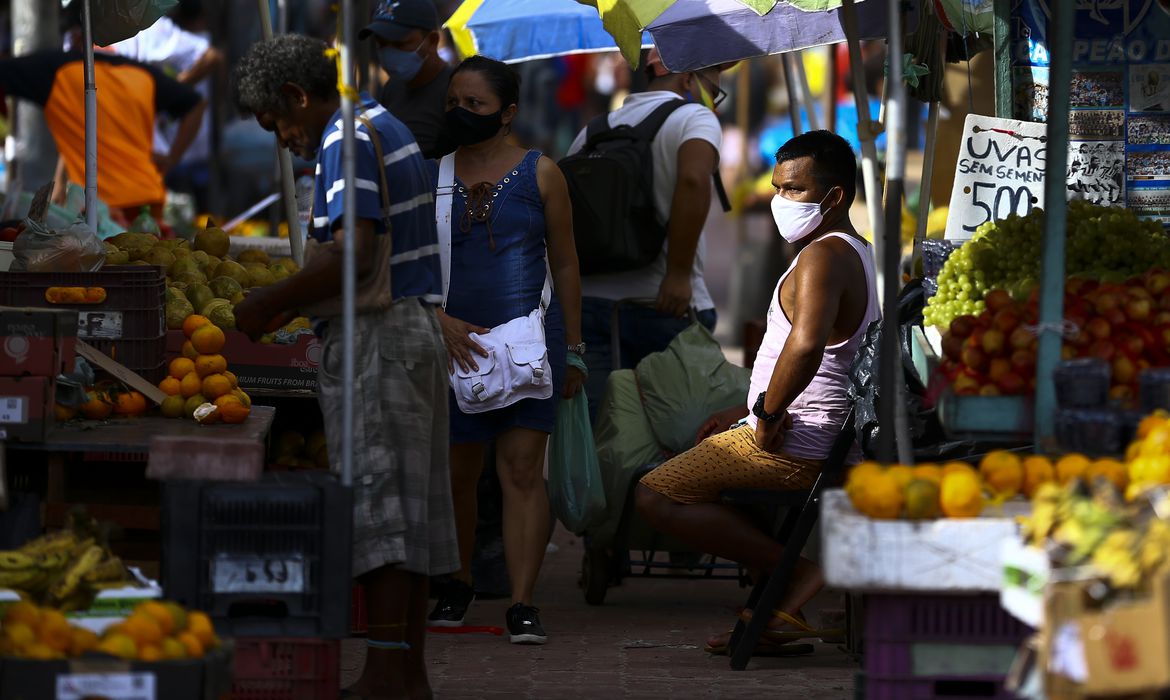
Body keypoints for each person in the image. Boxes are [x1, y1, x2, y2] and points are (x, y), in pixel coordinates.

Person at [232, 34, 457, 699]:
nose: (283, 140)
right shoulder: (372, 125)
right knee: (405, 518)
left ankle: (386, 676)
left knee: (381, 520)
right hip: (405, 333)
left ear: (298, 97)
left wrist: (267, 302)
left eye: (279, 123)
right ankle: (403, 674)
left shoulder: (345, 138)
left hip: (380, 339)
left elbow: (352, 253)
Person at [635, 130, 879, 653]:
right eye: (777, 187)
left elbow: (807, 344)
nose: (780, 201)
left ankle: (794, 574)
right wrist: (744, 410)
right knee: (709, 480)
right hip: (804, 427)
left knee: (656, 493)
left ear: (833, 197)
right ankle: (773, 607)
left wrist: (767, 413)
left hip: (800, 439)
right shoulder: (846, 249)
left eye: (794, 189)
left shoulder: (825, 256)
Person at [430, 55, 583, 645]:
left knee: (520, 472)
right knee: (455, 475)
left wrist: (575, 347)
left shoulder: (542, 173)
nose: (461, 113)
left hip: (528, 342)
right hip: (452, 344)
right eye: (454, 103)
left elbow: (566, 263)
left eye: (475, 104)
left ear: (508, 112)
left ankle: (522, 602)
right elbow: (406, 264)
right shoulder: (434, 175)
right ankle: (459, 581)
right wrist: (435, 317)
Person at [565, 48, 725, 419]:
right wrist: (679, 274)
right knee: (675, 440)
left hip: (589, 304)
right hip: (662, 304)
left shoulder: (594, 130)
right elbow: (693, 178)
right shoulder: (694, 117)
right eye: (713, 90)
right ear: (688, 79)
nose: (713, 101)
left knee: (601, 433)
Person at [0, 49, 204, 221]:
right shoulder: (142, 74)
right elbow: (196, 103)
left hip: (96, 207)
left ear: (76, 35)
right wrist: (171, 159)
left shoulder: (56, 69)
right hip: (145, 199)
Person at [360, 0, 454, 159]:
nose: (389, 53)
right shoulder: (392, 87)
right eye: (381, 44)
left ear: (432, 41)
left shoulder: (456, 89)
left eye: (399, 44)